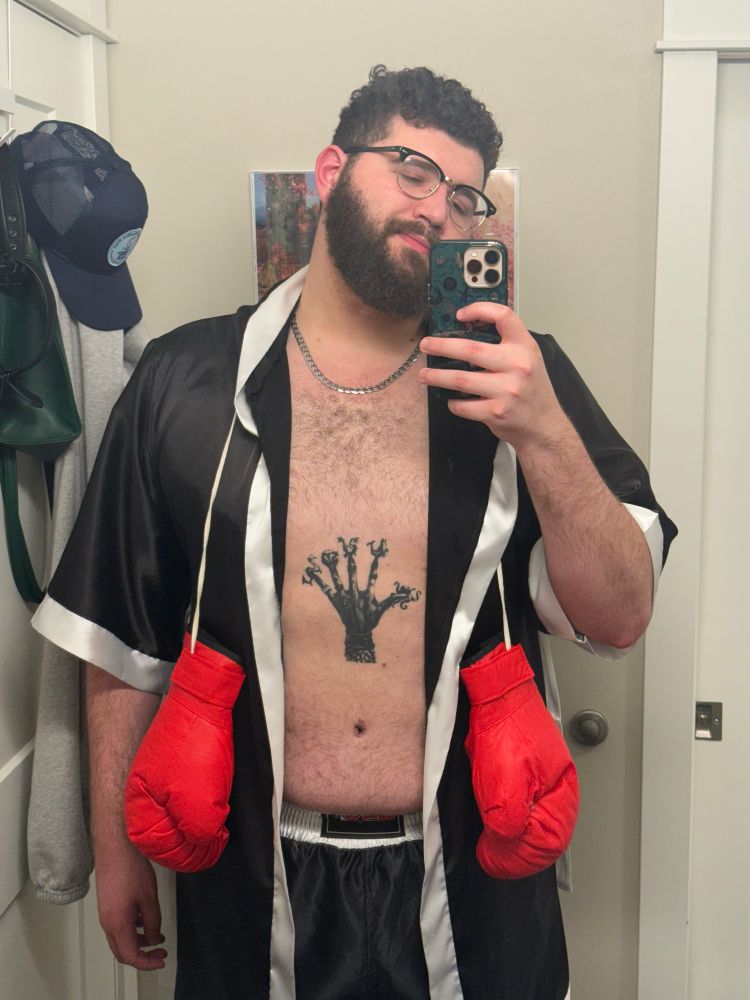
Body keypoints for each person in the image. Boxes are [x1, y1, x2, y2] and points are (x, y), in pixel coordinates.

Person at [33, 65, 676, 1000]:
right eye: (412, 170)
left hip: (472, 878)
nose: (438, 209)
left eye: (465, 198)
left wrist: (542, 430)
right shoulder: (184, 378)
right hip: (250, 874)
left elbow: (620, 617)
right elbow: (120, 640)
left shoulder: (522, 380)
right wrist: (116, 850)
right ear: (331, 172)